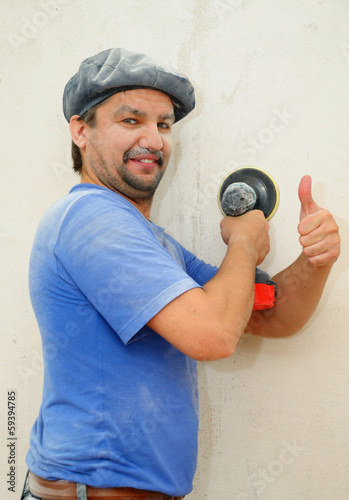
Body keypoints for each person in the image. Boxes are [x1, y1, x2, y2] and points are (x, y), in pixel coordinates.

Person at [22, 48, 340, 500]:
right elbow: (213, 336)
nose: (154, 139)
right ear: (81, 130)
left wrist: (316, 260)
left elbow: (269, 314)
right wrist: (245, 242)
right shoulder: (90, 218)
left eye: (164, 124)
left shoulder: (154, 243)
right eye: (131, 121)